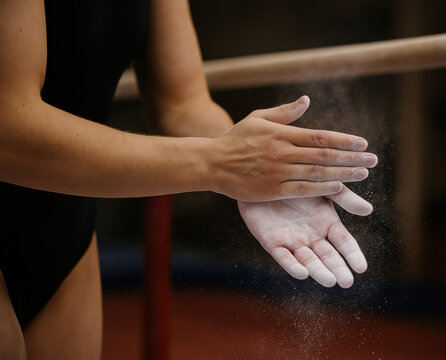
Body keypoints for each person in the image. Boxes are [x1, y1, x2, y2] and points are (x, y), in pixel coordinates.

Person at [0, 0, 378, 358]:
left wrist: (269, 178)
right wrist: (220, 163)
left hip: (64, 215)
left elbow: (181, 104)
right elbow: (9, 128)